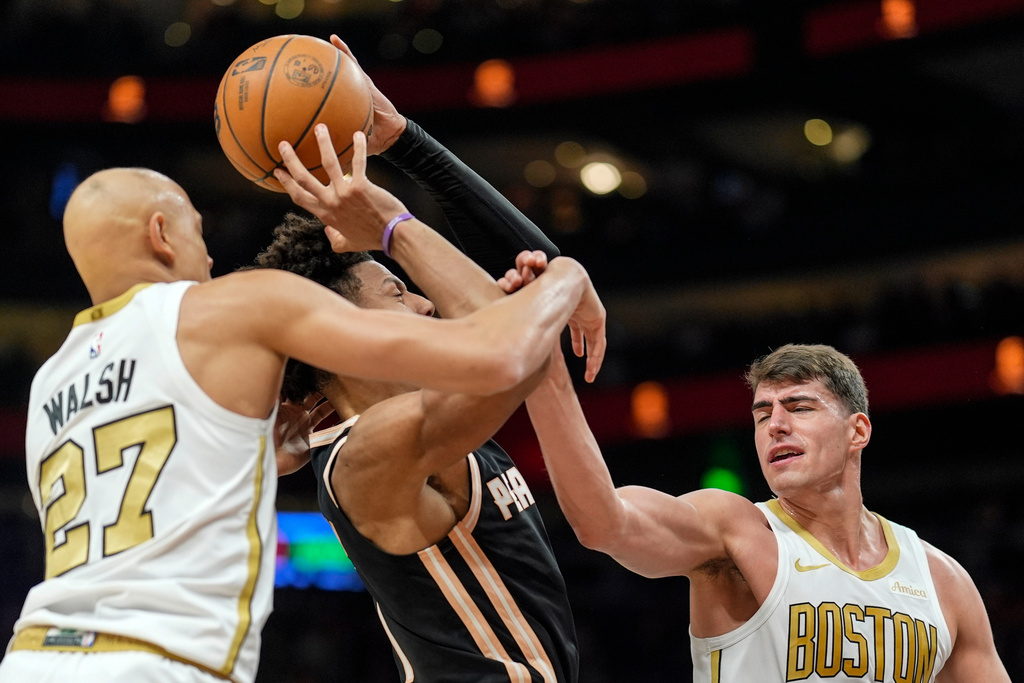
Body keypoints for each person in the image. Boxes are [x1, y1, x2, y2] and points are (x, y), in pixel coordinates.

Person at [0, 115, 604, 682]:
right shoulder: (233, 312)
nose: (211, 259)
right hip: (158, 660)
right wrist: (565, 275)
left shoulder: (54, 377)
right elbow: (500, 356)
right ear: (162, 235)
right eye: (199, 232)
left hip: (34, 652)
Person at [255, 37, 590, 681]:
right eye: (397, 292)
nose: (428, 306)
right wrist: (388, 222)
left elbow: (519, 297)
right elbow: (510, 348)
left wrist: (406, 141)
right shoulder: (364, 456)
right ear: (342, 331)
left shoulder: (423, 414)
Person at [507, 321, 1012, 682]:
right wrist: (546, 369)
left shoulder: (941, 580)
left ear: (857, 430)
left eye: (799, 407)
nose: (776, 425)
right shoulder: (736, 530)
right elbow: (604, 522)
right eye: (762, 413)